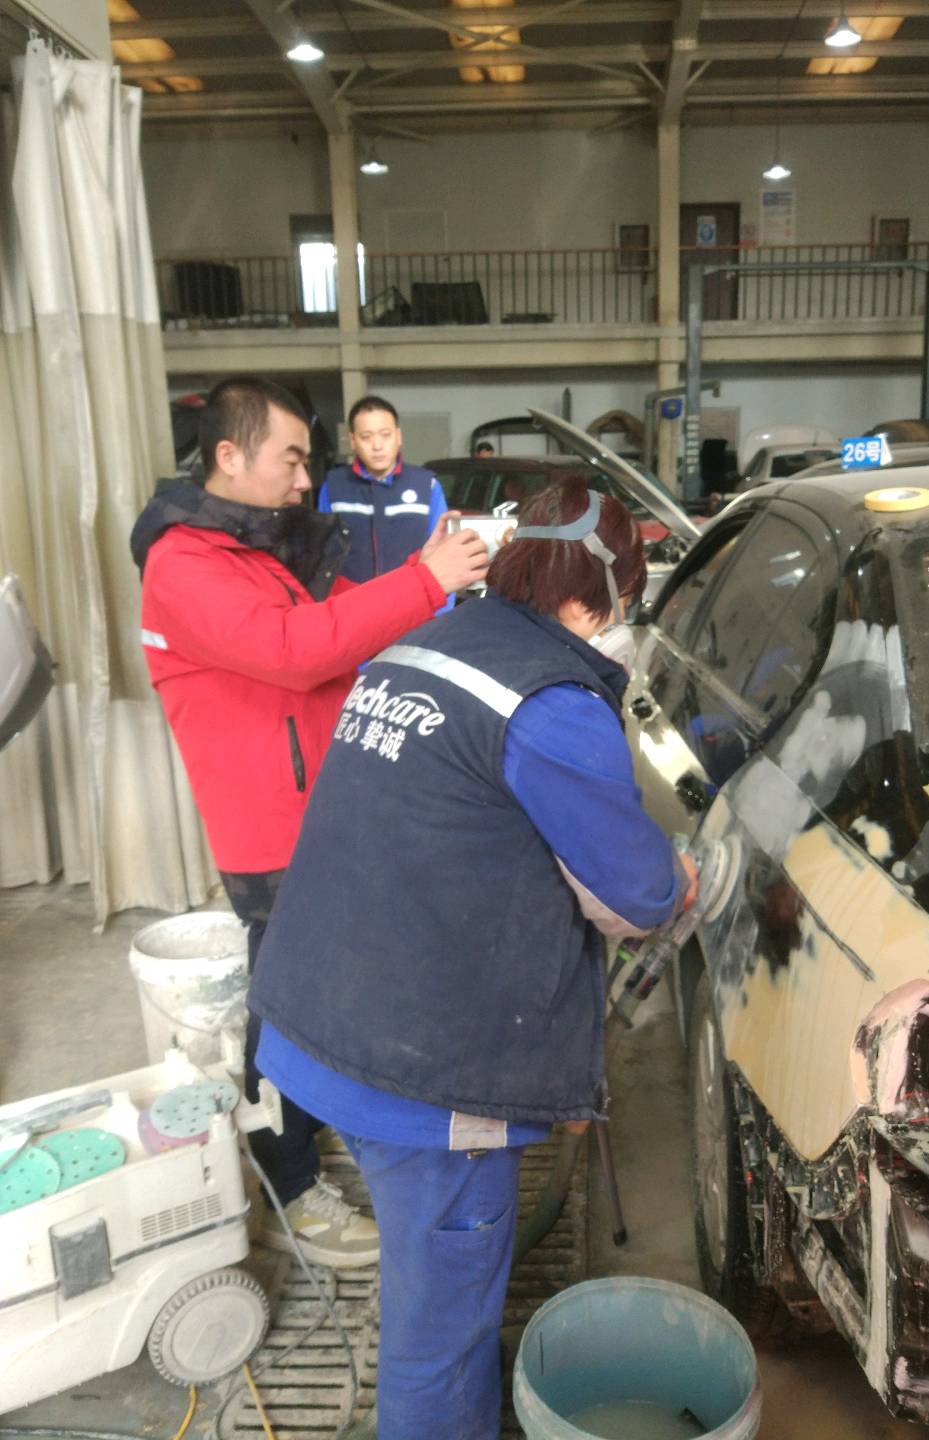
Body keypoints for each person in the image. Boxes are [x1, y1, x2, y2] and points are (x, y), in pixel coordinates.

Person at [247, 476, 698, 1439]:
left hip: (315, 1015)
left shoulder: (423, 644)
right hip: (421, 1078)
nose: (623, 624)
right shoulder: (552, 704)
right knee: (441, 1341)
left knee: (430, 1279)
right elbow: (640, 895)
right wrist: (685, 876)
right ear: (595, 597)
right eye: (626, 600)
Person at [130, 376, 488, 1268]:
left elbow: (332, 627)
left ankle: (323, 1131)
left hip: (316, 810)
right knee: (288, 1007)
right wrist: (425, 580)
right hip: (269, 831)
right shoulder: (185, 564)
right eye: (290, 460)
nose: (303, 480)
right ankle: (288, 1187)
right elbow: (295, 652)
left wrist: (423, 597)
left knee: (327, 992)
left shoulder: (252, 548)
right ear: (229, 455)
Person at [319, 396, 449, 589]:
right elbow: (323, 554)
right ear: (353, 441)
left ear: (398, 436)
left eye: (385, 435)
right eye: (366, 437)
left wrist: (440, 605)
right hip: (352, 602)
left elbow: (442, 553)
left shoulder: (426, 486)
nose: (377, 446)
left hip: (413, 600)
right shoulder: (334, 486)